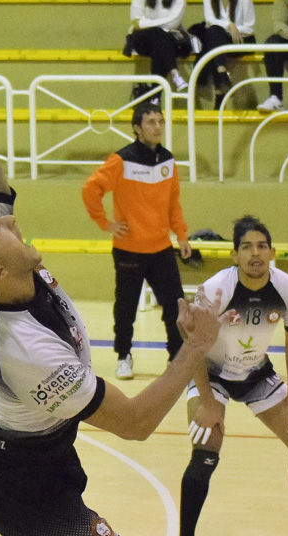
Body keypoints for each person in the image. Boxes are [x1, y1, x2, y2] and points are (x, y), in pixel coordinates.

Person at [0, 0, 224, 536]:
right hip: (22, 490)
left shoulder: (4, 272)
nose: (6, 218)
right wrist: (195, 349)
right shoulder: (26, 351)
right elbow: (132, 424)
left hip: (50, 461)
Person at [180, 216, 288, 536]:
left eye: (261, 246)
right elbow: (193, 349)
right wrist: (207, 402)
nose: (254, 253)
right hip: (212, 376)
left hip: (256, 374)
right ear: (234, 256)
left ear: (272, 252)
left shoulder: (287, 287)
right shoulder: (215, 289)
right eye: (246, 247)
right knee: (206, 450)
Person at [82, 103, 192, 379]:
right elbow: (90, 189)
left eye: (160, 121)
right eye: (151, 122)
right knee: (126, 307)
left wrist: (181, 235)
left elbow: (173, 205)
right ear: (136, 128)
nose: (157, 127)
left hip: (161, 248)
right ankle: (124, 356)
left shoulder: (168, 160)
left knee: (174, 304)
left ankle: (176, 358)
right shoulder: (121, 160)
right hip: (128, 249)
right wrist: (105, 223)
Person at [191, 0, 256, 106]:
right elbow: (210, 19)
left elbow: (250, 26)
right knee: (214, 32)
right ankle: (222, 78)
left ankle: (220, 89)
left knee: (213, 39)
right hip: (219, 40)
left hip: (241, 40)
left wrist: (234, 28)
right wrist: (229, 25)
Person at [125, 0, 192, 96]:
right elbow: (136, 22)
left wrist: (148, 23)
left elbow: (174, 22)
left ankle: (154, 98)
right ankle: (174, 73)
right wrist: (158, 25)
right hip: (142, 39)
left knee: (159, 42)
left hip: (169, 39)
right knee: (159, 35)